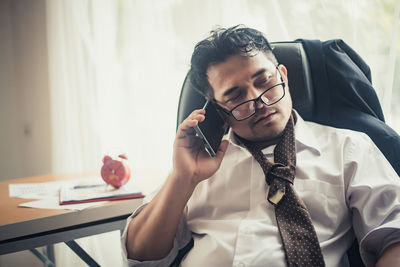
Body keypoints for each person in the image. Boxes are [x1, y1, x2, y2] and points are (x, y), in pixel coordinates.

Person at [122, 25, 400, 267]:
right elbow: (140, 257)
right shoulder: (196, 165)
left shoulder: (348, 148)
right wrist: (183, 178)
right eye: (235, 95)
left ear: (283, 75)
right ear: (219, 110)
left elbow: (395, 236)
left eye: (264, 81)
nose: (260, 102)